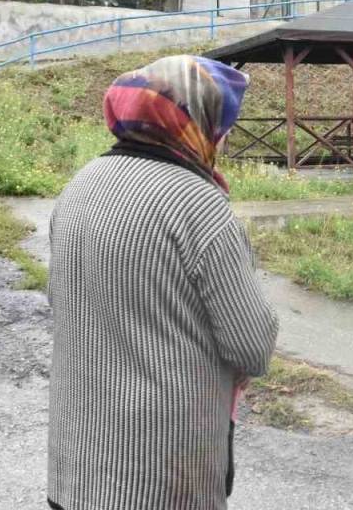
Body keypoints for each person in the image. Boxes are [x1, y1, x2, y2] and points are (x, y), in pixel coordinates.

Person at [46, 55, 279, 510]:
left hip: (76, 464)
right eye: (222, 122)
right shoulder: (199, 205)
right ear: (193, 122)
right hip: (160, 473)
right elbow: (252, 345)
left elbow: (62, 300)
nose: (225, 137)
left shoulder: (79, 185)